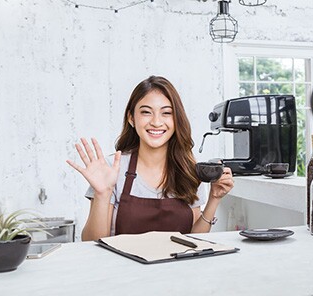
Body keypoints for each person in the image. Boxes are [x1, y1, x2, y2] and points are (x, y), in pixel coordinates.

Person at [67, 76, 234, 241]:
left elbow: (194, 240)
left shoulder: (188, 170)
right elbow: (91, 242)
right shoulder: (112, 169)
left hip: (178, 267)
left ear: (176, 120)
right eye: (146, 112)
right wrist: (102, 194)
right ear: (131, 118)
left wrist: (214, 199)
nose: (156, 122)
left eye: (166, 113)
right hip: (122, 268)